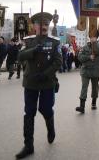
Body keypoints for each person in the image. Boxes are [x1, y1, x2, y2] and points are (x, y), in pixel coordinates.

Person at [15, 12, 62, 159]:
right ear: (34, 26)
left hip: (47, 82)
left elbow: (58, 61)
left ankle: (50, 126)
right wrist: (33, 51)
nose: (44, 26)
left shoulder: (54, 42)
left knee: (45, 108)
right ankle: (28, 145)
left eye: (46, 24)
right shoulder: (28, 41)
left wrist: (46, 74)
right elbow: (20, 56)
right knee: (29, 113)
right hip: (31, 82)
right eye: (41, 24)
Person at [76, 30, 99, 113]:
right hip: (85, 71)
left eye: (94, 36)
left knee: (95, 88)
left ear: (97, 37)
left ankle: (93, 103)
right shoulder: (85, 47)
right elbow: (80, 57)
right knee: (84, 87)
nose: (92, 38)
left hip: (95, 72)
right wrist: (89, 57)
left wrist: (94, 43)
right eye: (91, 36)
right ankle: (82, 106)